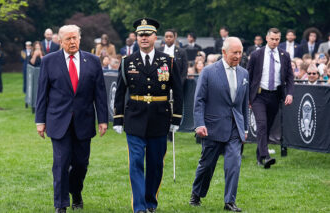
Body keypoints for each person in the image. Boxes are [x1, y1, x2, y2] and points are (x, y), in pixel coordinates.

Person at [35, 24, 108, 213]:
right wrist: (40, 121)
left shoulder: (92, 61)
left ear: (80, 39)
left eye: (75, 38)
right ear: (60, 41)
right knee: (61, 163)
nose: (72, 42)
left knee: (81, 164)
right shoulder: (49, 61)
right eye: (68, 39)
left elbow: (100, 93)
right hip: (58, 121)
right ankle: (61, 204)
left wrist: (103, 119)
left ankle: (76, 192)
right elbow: (42, 93)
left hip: (84, 121)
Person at [113, 18, 182, 213]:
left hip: (159, 118)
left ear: (155, 37)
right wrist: (118, 118)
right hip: (135, 117)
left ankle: (150, 202)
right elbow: (120, 91)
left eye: (147, 35)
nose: (143, 38)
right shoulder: (128, 61)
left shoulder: (167, 61)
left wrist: (176, 117)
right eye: (140, 35)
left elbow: (177, 91)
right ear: (136, 37)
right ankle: (140, 207)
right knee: (135, 162)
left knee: (155, 164)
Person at [189, 37, 249, 212]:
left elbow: (244, 103)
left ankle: (229, 201)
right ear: (224, 52)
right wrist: (199, 124)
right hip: (212, 127)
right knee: (207, 165)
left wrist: (244, 127)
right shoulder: (208, 72)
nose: (238, 56)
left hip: (235, 128)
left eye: (240, 52)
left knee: (234, 164)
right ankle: (196, 193)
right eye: (234, 52)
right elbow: (199, 100)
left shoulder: (244, 74)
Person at [247, 28, 294, 169]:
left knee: (267, 127)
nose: (274, 41)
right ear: (266, 38)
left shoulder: (284, 55)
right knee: (261, 124)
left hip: (275, 95)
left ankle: (259, 156)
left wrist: (290, 93)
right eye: (272, 39)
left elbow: (290, 77)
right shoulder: (256, 55)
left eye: (277, 39)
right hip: (259, 96)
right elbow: (248, 77)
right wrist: (248, 98)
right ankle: (266, 156)